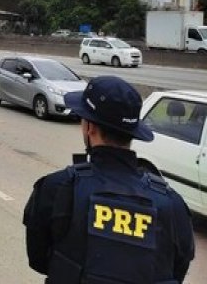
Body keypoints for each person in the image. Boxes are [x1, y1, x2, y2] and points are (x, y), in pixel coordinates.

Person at [23, 76, 195, 283]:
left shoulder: (58, 187)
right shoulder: (172, 203)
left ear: (90, 128)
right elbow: (177, 268)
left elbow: (38, 259)